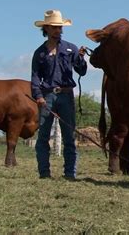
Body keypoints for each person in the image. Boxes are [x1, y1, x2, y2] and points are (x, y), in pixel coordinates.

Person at [31, 9, 87, 179]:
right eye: (54, 27)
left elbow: (82, 71)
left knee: (69, 136)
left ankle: (70, 173)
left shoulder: (71, 49)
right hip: (47, 96)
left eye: (60, 27)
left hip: (66, 95)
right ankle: (44, 173)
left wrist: (81, 59)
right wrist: (38, 96)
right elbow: (34, 77)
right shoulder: (39, 53)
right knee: (43, 137)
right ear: (46, 28)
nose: (58, 30)